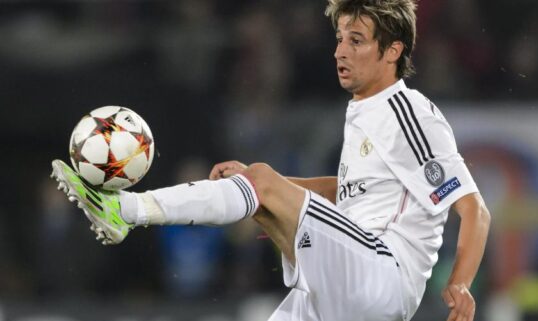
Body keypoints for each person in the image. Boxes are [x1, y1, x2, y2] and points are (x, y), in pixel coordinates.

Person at [51, 0, 491, 320]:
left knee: (261, 184)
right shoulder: (363, 111)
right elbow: (349, 190)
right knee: (260, 184)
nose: (339, 51)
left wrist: (460, 284)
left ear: (393, 51)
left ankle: (125, 209)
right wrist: (269, 184)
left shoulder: (408, 111)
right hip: (341, 281)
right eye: (339, 39)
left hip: (382, 274)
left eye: (356, 40)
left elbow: (473, 208)